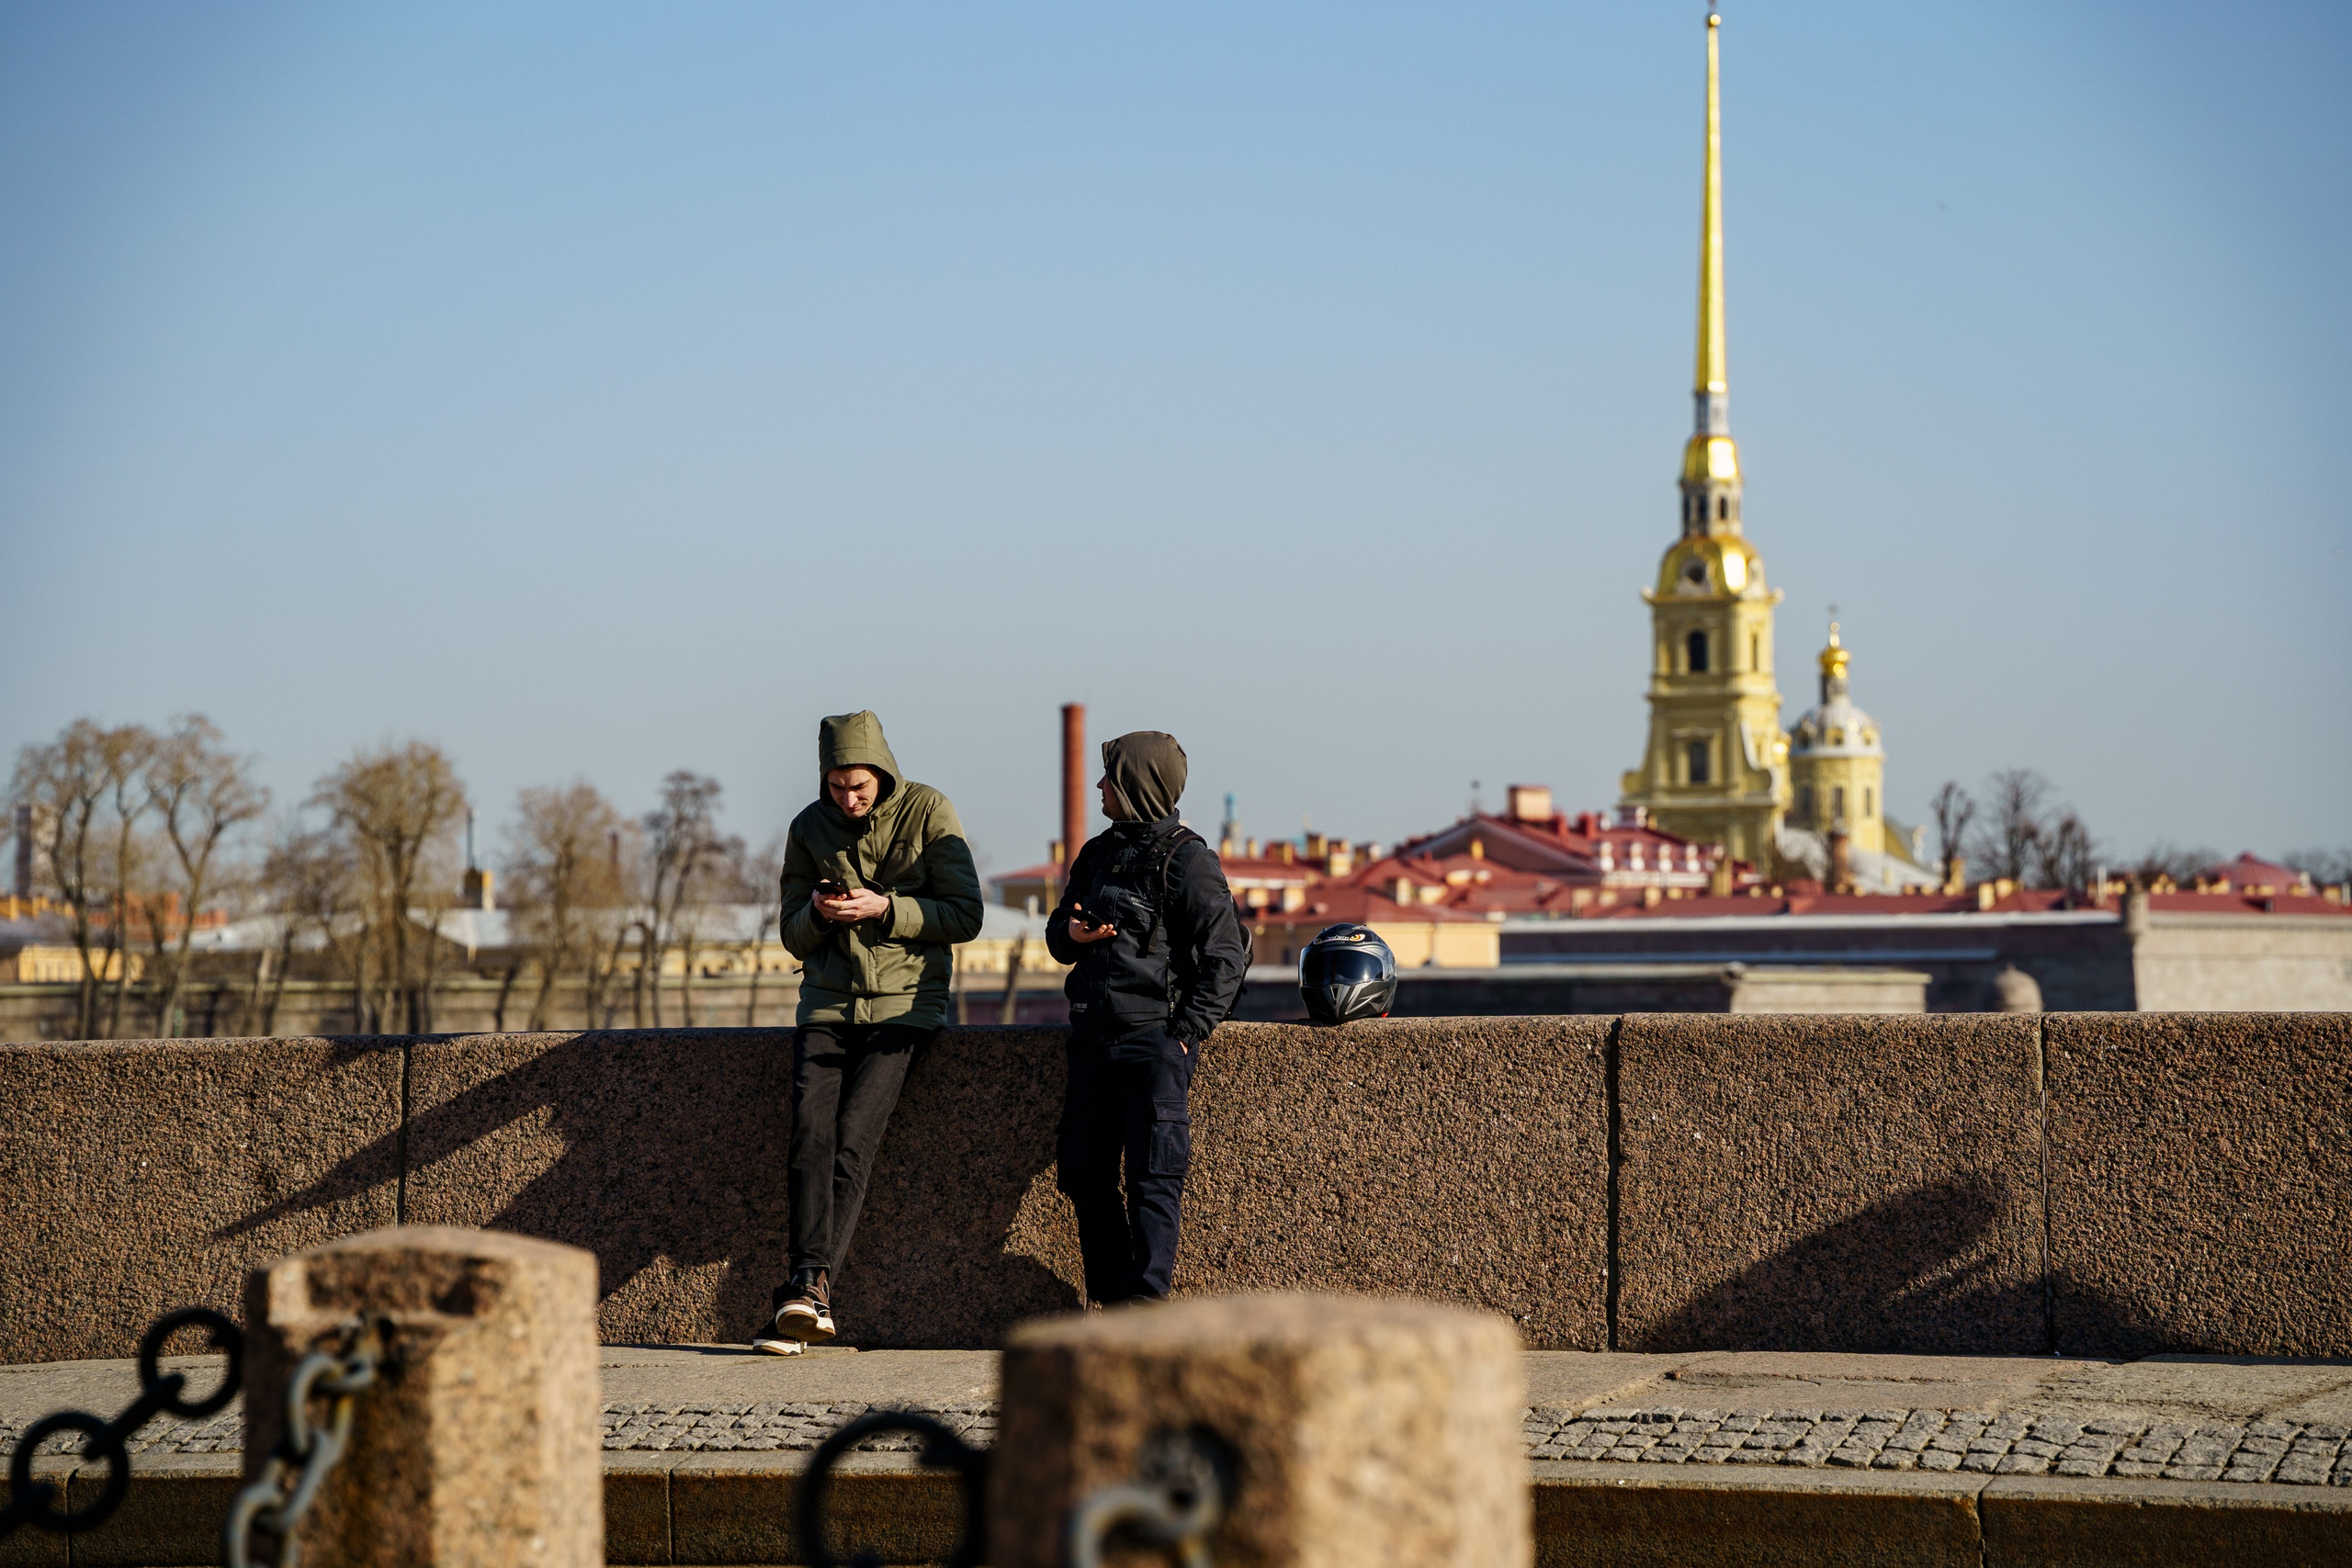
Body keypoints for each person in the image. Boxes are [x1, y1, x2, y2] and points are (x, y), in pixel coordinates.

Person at [755, 710, 982, 1354]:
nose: (848, 800)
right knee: (809, 1132)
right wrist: (822, 914)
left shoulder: (929, 809)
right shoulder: (808, 828)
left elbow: (966, 914)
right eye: (836, 788)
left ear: (880, 772)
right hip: (828, 1002)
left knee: (854, 1138)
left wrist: (886, 907)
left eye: (858, 786)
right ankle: (807, 1292)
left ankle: (809, 1288)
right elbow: (789, 930)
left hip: (904, 1005)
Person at [1045, 730, 1249, 1306]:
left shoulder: (1189, 859)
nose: (1101, 787)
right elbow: (1059, 934)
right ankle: (1113, 1301)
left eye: (1110, 776)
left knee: (1153, 1179)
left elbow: (1225, 957)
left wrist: (1184, 1036)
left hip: (1153, 1042)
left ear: (1137, 784)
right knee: (1085, 1175)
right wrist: (1073, 934)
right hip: (1092, 1039)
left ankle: (1145, 1303)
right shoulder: (1096, 853)